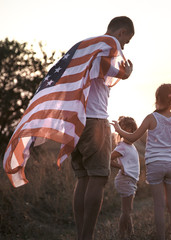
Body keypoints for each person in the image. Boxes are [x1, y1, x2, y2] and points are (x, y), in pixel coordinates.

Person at [70, 16, 134, 240]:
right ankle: (86, 237)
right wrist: (125, 74)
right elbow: (106, 67)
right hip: (95, 121)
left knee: (83, 179)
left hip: (74, 121)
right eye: (125, 41)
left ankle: (81, 235)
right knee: (97, 178)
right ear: (122, 32)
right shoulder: (107, 45)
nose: (123, 47)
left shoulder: (85, 47)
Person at [111, 83, 171, 240]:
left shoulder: (151, 118)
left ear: (157, 98)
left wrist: (118, 129)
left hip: (156, 164)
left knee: (159, 205)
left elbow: (133, 137)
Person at [110, 116, 140, 239]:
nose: (132, 134)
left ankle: (130, 234)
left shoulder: (131, 146)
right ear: (122, 132)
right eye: (129, 131)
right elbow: (107, 159)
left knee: (128, 210)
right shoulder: (122, 146)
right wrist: (119, 166)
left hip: (130, 180)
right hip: (125, 180)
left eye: (133, 132)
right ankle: (121, 235)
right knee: (126, 211)